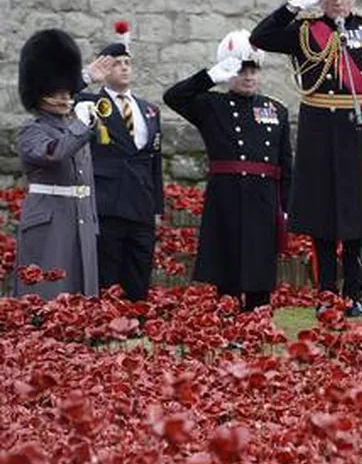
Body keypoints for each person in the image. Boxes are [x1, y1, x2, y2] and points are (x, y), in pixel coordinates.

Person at [250, 0, 362, 317]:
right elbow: (261, 37)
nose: (338, 2)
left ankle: (355, 293)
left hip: (359, 134)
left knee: (356, 220)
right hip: (319, 134)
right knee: (322, 220)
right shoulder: (304, 30)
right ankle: (326, 294)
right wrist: (294, 5)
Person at [163, 30, 292, 311]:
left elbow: (285, 164)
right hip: (227, 196)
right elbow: (173, 97)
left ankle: (258, 318)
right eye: (241, 70)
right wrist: (210, 77)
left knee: (260, 265)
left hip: (263, 197)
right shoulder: (211, 105)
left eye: (253, 70)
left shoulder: (276, 109)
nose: (248, 77)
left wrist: (286, 205)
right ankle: (228, 316)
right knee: (228, 263)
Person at [14, 29, 111, 299]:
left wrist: (92, 223)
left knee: (83, 293)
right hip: (50, 221)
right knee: (49, 293)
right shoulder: (32, 130)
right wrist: (81, 124)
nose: (65, 98)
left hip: (81, 217)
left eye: (67, 92)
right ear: (41, 95)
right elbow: (55, 153)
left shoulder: (72, 127)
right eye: (57, 94)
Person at [79, 23, 164, 301]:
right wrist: (86, 77)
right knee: (109, 274)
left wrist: (157, 206)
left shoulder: (149, 110)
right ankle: (109, 320)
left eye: (127, 63)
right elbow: (61, 95)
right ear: (104, 70)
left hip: (141, 203)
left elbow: (154, 161)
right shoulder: (89, 103)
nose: (124, 68)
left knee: (140, 270)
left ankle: (138, 317)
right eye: (116, 64)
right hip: (108, 202)